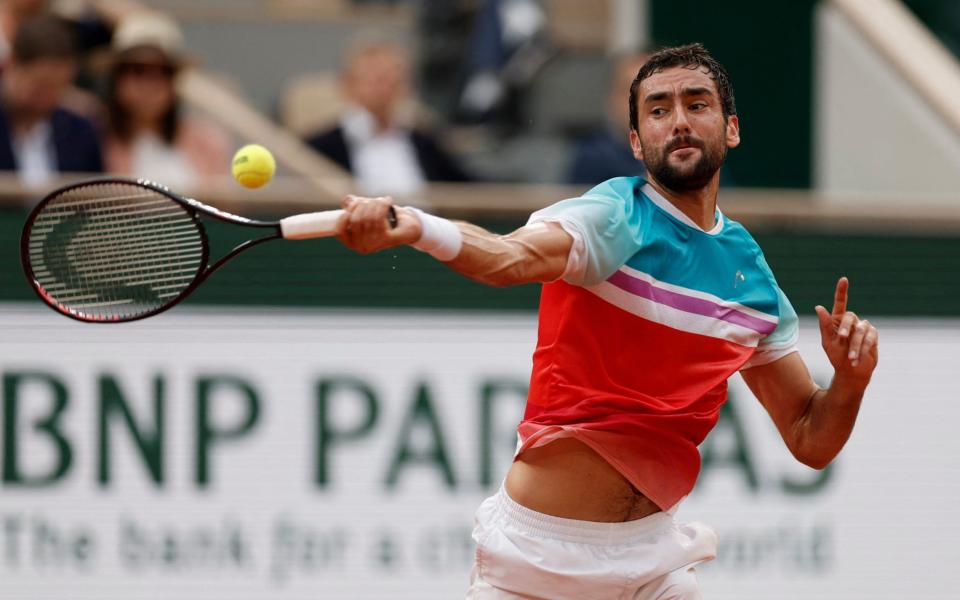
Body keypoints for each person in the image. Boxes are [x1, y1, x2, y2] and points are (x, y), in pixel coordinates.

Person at [332, 44, 879, 598]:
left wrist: (851, 382)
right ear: (638, 142)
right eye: (659, 110)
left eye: (697, 104)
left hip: (653, 562)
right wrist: (416, 225)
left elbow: (810, 438)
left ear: (731, 128)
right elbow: (508, 258)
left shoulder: (752, 280)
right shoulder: (612, 216)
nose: (680, 122)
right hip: (538, 561)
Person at [307, 40, 473, 198]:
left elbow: (470, 189)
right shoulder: (319, 149)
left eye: (393, 78)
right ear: (348, 85)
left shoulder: (426, 143)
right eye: (375, 79)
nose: (385, 88)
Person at [102, 12, 231, 189]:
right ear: (117, 79)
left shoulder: (209, 142)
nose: (149, 85)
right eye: (137, 71)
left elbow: (223, 207)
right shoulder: (91, 141)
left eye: (162, 72)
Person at [0, 14, 103, 186]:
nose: (49, 96)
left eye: (60, 86)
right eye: (41, 84)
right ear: (13, 64)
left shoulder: (80, 132)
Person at [566, 51, 650, 185]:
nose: (639, 102)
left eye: (652, 92)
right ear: (611, 99)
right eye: (629, 91)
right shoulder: (593, 158)